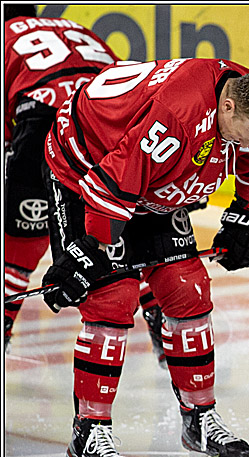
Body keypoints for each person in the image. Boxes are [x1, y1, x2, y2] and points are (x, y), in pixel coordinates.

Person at [41, 55, 249, 457]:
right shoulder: (178, 111)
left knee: (188, 288)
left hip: (154, 183)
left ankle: (200, 420)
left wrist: (247, 219)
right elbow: (116, 180)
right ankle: (89, 431)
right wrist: (88, 253)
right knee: (111, 296)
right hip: (89, 168)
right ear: (229, 109)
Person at [3, 6, 116, 351]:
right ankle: (160, 325)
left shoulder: (7, 33)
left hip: (45, 120)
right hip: (108, 117)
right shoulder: (75, 26)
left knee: (22, 236)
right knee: (121, 232)